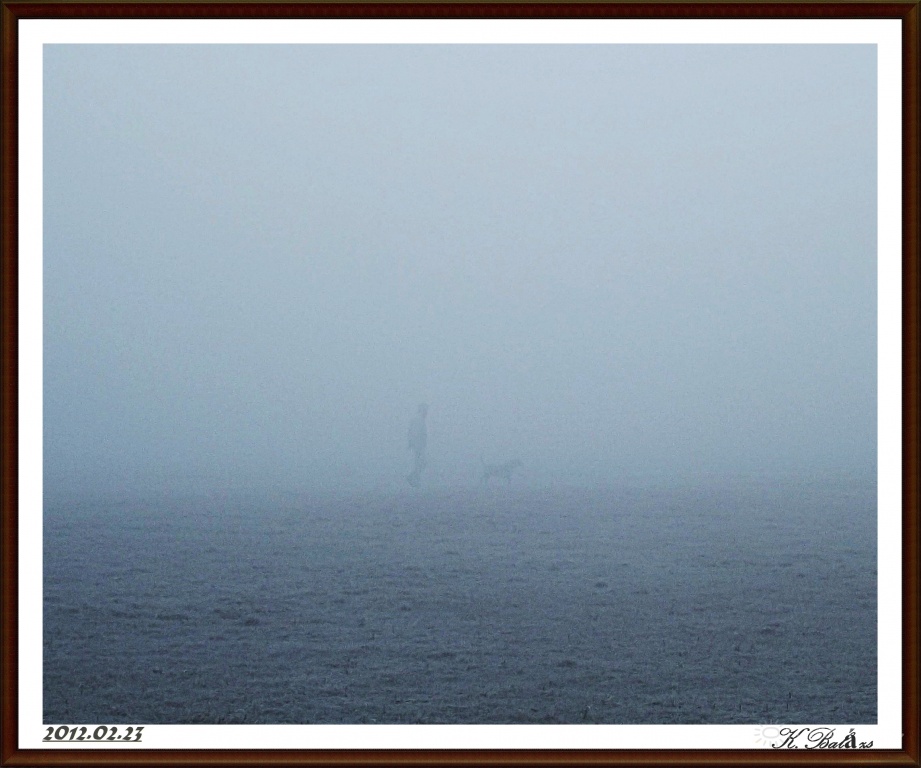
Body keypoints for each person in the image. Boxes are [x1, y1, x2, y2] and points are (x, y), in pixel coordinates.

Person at [406, 403, 428, 487]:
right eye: (425, 410)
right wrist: (414, 443)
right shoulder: (418, 420)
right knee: (421, 462)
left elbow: (410, 432)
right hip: (418, 445)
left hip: (419, 445)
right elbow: (414, 433)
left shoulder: (419, 419)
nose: (426, 413)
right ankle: (413, 478)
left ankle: (415, 479)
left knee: (420, 463)